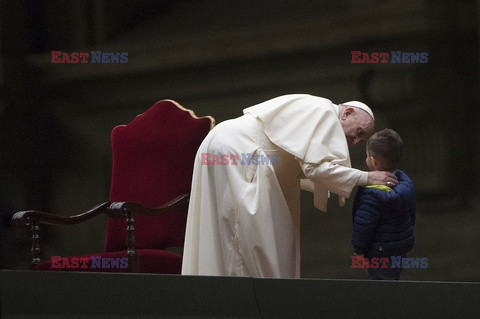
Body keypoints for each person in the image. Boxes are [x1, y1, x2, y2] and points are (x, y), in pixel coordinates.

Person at [182, 94, 398, 278]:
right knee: (249, 246)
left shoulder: (317, 107)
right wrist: (366, 178)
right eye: (359, 133)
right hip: (238, 152)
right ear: (347, 113)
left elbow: (301, 164)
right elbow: (317, 169)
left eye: (361, 140)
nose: (355, 141)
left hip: (221, 147)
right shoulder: (325, 113)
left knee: (226, 237)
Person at [351, 128, 416, 280]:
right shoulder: (405, 185)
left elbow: (364, 225)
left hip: (378, 253)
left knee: (380, 290)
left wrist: (359, 250)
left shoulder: (371, 194)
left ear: (373, 160)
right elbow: (411, 216)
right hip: (400, 249)